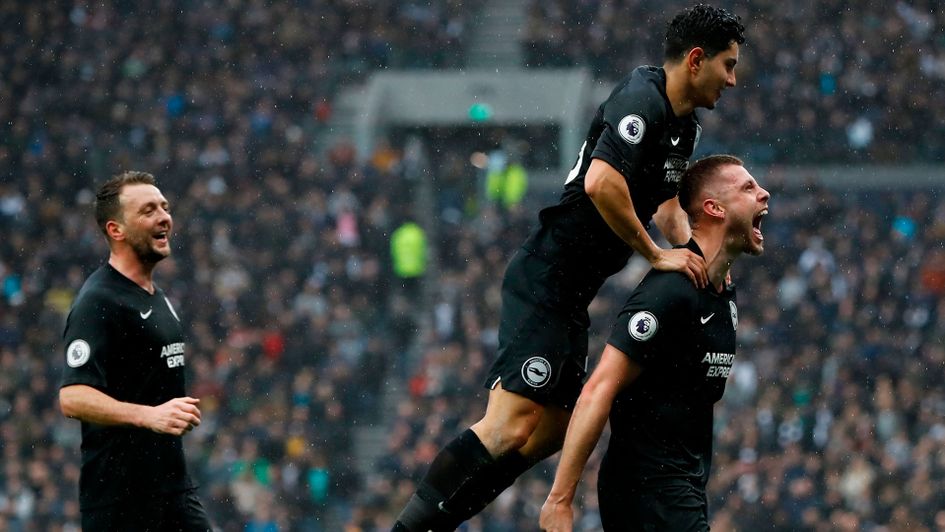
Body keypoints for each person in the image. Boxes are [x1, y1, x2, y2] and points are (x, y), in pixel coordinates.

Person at [394, 5, 746, 531]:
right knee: (509, 426)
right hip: (545, 278)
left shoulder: (684, 129)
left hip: (571, 296)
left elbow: (670, 206)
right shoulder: (640, 99)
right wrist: (654, 254)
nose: (733, 79)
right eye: (728, 64)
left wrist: (699, 258)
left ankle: (437, 521)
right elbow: (601, 182)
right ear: (697, 60)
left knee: (550, 431)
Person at [539, 154, 770, 531]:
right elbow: (598, 389)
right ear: (713, 208)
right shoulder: (669, 292)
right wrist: (560, 500)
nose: (764, 193)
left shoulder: (722, 295)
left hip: (682, 490)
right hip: (649, 491)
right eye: (748, 187)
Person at [58, 171, 213, 531]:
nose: (164, 217)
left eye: (164, 207)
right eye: (148, 210)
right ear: (117, 230)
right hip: (120, 501)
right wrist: (150, 416)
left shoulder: (157, 296)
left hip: (172, 489)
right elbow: (72, 397)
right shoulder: (99, 301)